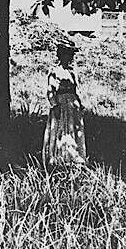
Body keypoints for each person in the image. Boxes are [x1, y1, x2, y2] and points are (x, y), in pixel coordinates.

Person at [43, 39, 87, 170]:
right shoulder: (55, 72)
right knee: (61, 129)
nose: (69, 58)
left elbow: (77, 89)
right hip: (61, 103)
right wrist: (54, 105)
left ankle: (74, 157)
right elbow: (50, 90)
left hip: (72, 104)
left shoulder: (73, 72)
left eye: (71, 55)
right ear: (61, 56)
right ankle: (59, 157)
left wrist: (80, 103)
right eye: (66, 55)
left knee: (74, 129)